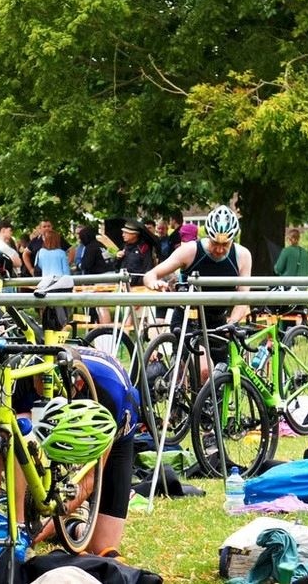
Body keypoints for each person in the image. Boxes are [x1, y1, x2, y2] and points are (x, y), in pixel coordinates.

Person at [28, 347, 139, 558]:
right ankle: (68, 522)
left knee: (102, 549)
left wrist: (35, 534)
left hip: (115, 423)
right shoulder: (32, 372)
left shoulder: (106, 393)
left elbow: (90, 480)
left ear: (76, 385)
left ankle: (74, 525)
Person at [144, 204, 253, 328]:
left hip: (217, 321)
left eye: (225, 244)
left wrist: (232, 322)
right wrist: (153, 282)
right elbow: (150, 275)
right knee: (190, 345)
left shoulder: (243, 256)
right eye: (215, 243)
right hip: (187, 318)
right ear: (208, 236)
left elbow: (243, 296)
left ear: (233, 239)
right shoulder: (190, 250)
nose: (219, 249)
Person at [116, 220, 154, 287]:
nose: (123, 235)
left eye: (126, 233)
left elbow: (147, 268)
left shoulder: (143, 248)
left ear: (134, 234)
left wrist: (141, 284)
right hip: (123, 283)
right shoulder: (123, 247)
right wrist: (117, 258)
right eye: (123, 232)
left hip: (138, 286)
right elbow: (116, 267)